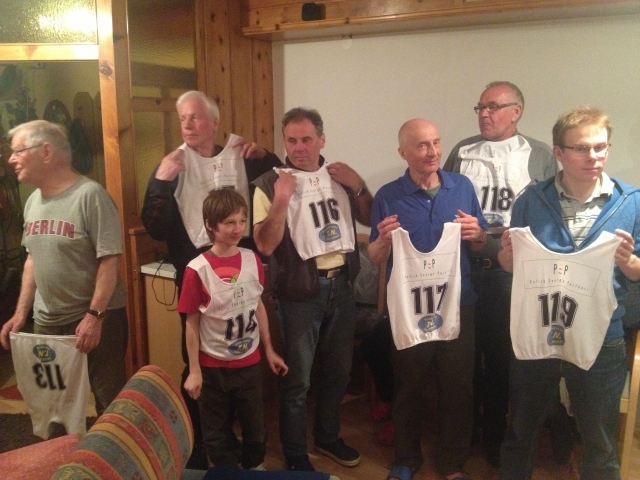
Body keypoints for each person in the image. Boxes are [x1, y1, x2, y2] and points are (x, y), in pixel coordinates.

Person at [497, 105, 640, 479]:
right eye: (581, 148)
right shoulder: (532, 200)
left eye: (600, 147)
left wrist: (629, 262)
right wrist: (506, 257)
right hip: (538, 328)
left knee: (600, 440)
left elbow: (639, 270)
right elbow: (513, 266)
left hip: (601, 333)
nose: (593, 156)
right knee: (521, 430)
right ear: (558, 152)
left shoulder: (632, 202)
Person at [141, 90, 281, 467]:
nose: (187, 124)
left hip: (241, 272)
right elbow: (155, 228)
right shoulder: (172, 164)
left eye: (196, 117)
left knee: (241, 365)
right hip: (196, 277)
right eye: (182, 118)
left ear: (214, 123)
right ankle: (201, 445)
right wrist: (161, 181)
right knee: (198, 365)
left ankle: (239, 444)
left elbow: (280, 181)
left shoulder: (241, 155)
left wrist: (265, 156)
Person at [443, 81, 559, 467]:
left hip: (509, 274)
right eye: (480, 107)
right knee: (464, 358)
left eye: (493, 107)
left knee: (500, 361)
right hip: (463, 269)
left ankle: (494, 436)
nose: (484, 114)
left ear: (516, 111)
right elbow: (445, 201)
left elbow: (545, 218)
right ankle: (465, 433)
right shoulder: (462, 150)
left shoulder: (539, 155)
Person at [251, 107, 372, 472]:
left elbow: (370, 218)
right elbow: (265, 245)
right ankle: (294, 454)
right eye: (291, 140)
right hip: (299, 293)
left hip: (342, 285)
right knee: (298, 380)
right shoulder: (268, 183)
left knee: (339, 372)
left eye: (306, 139)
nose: (299, 148)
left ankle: (327, 437)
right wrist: (281, 200)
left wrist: (359, 185)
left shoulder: (339, 176)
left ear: (322, 139)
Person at [368, 118, 488, 480]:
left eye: (436, 142)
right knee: (408, 386)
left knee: (458, 389)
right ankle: (406, 459)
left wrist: (478, 234)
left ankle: (452, 463)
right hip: (410, 308)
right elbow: (374, 256)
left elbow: (480, 242)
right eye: (421, 145)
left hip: (458, 303)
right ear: (402, 152)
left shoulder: (461, 187)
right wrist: (382, 241)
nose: (432, 152)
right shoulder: (388, 196)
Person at [0, 119, 128, 417]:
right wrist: (21, 313)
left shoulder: (91, 196)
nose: (11, 159)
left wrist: (94, 316)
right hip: (48, 321)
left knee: (108, 401)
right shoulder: (32, 201)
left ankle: (111, 448)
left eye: (18, 151)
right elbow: (33, 258)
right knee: (54, 404)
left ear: (46, 151)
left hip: (96, 319)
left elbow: (109, 260)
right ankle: (60, 449)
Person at [179, 188, 288, 470]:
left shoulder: (252, 260)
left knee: (256, 429)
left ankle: (254, 469)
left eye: (241, 221)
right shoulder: (197, 269)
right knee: (215, 433)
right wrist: (194, 370)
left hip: (248, 362)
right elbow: (191, 323)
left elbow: (257, 305)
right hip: (212, 366)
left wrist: (269, 349)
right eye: (229, 223)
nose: (237, 229)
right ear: (210, 225)